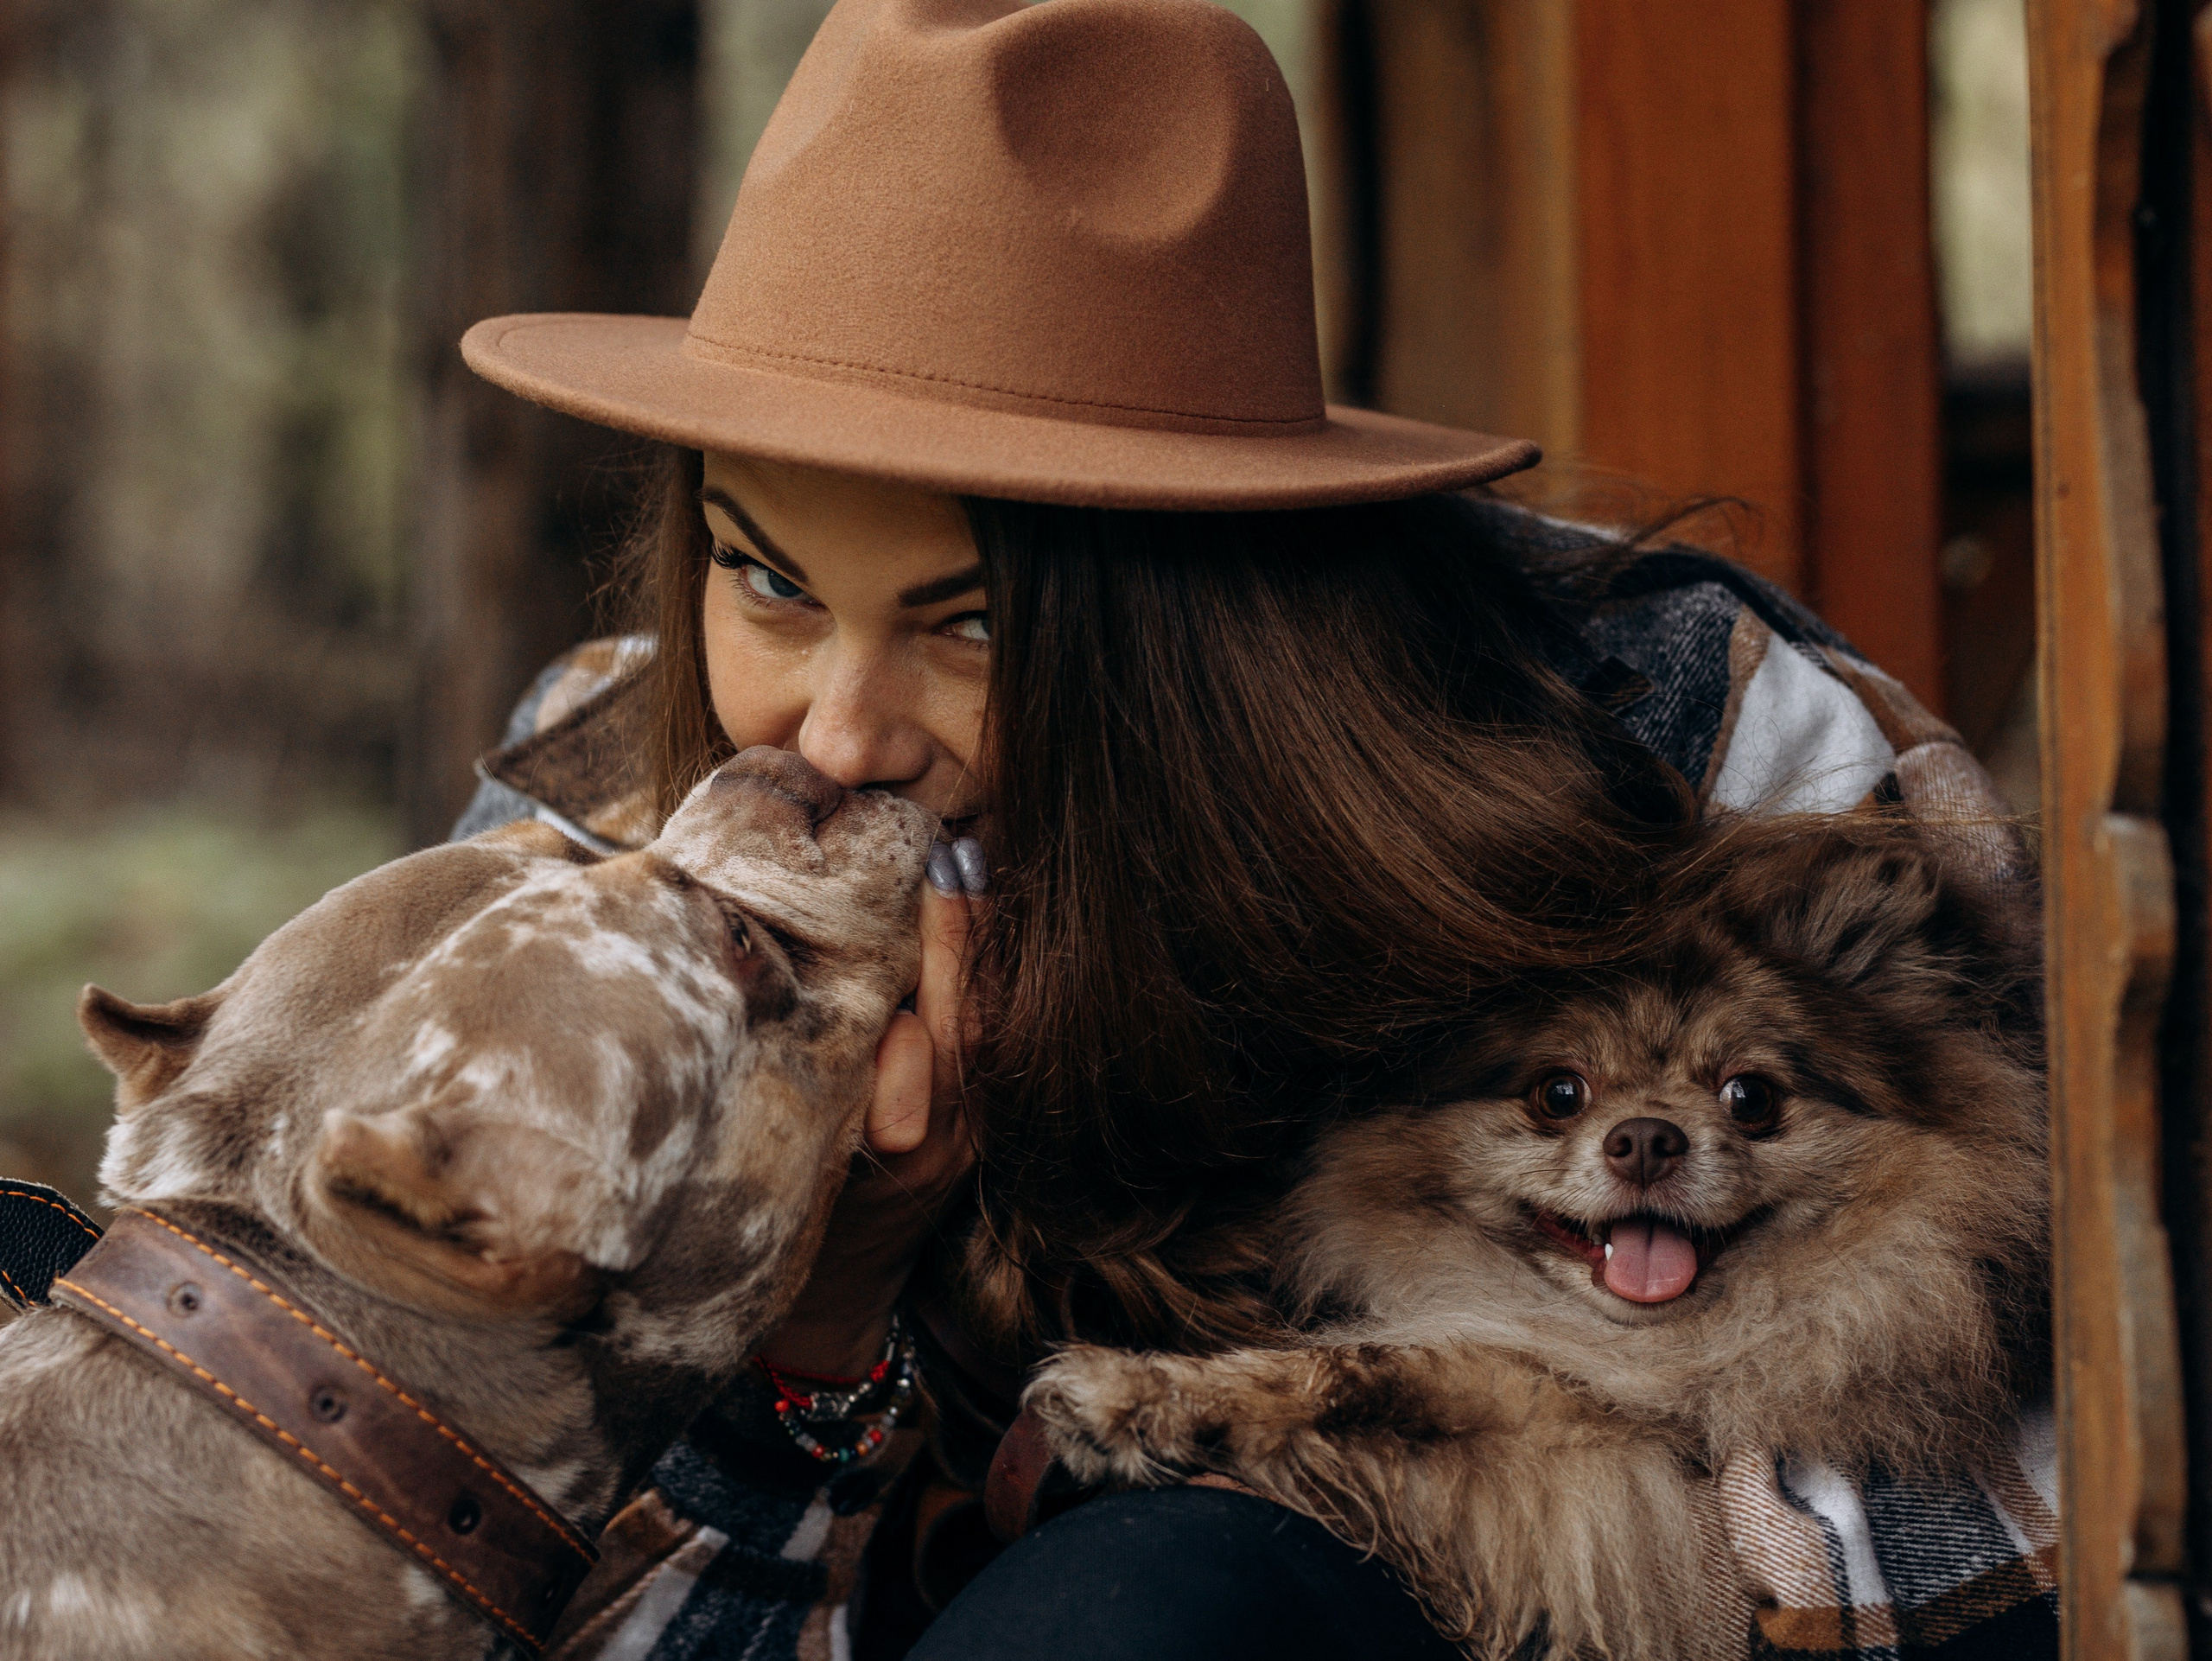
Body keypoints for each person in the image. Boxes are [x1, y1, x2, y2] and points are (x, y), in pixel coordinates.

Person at [452, 2, 2054, 1658]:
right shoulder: (587, 825)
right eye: (766, 579)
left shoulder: (1673, 721)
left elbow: (1981, 1510)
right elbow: (483, 1606)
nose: (841, 735)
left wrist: (1446, 1421)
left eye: (981, 624)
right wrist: (821, 1298)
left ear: (1218, 616)